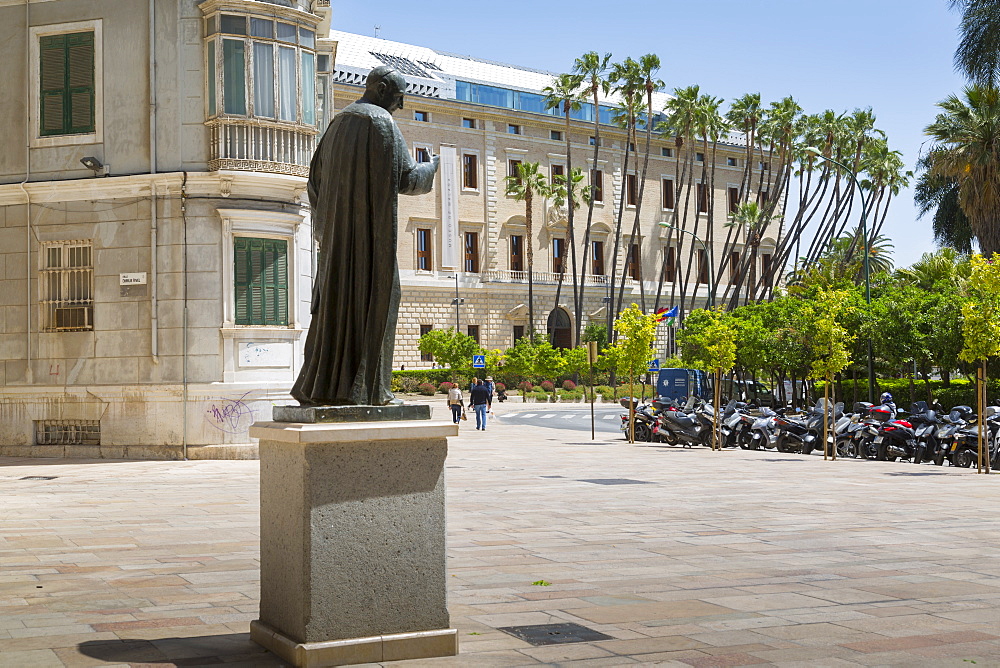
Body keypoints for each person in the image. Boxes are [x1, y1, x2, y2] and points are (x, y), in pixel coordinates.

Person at [290, 65, 439, 406]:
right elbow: (406, 179)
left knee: (335, 310)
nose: (400, 106)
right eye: (399, 97)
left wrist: (330, 227)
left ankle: (325, 388)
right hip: (370, 245)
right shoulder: (381, 123)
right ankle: (372, 392)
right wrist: (431, 167)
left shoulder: (336, 124)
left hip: (336, 245)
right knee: (381, 302)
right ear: (384, 88)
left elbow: (314, 184)